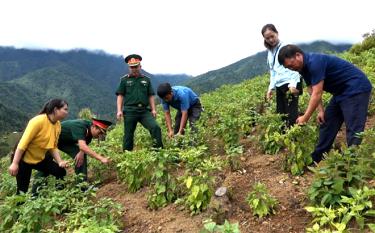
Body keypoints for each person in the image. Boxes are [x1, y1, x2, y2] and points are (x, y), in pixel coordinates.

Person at [278, 44, 372, 163]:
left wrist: (305, 117)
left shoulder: (314, 62)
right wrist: (320, 110)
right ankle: (317, 158)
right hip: (340, 92)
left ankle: (352, 164)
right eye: (288, 68)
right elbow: (311, 89)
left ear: (298, 55)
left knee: (353, 127)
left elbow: (317, 93)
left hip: (355, 88)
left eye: (291, 65)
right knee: (327, 123)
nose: (292, 69)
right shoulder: (302, 68)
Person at [8, 99, 69, 194]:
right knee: (22, 192)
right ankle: (17, 207)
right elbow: (22, 144)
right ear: (56, 109)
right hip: (23, 160)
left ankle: (59, 197)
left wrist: (60, 161)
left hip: (39, 159)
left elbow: (52, 147)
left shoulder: (57, 125)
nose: (67, 112)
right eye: (65, 109)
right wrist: (15, 163)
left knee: (60, 172)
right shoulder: (38, 121)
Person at [33, 118, 112, 185]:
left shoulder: (90, 133)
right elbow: (83, 146)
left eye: (102, 133)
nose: (100, 135)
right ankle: (35, 193)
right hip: (49, 140)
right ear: (94, 127)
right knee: (46, 165)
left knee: (81, 157)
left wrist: (81, 153)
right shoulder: (80, 126)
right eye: (100, 132)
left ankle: (82, 185)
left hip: (64, 142)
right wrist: (101, 158)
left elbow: (83, 146)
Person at [116, 54, 163, 151]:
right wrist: (119, 111)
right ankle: (127, 157)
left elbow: (150, 95)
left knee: (155, 128)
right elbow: (120, 95)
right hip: (130, 111)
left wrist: (153, 109)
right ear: (129, 68)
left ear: (140, 66)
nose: (134, 69)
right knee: (128, 134)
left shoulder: (146, 80)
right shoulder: (124, 80)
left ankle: (158, 152)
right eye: (132, 67)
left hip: (144, 111)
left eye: (136, 67)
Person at [261, 24, 302, 127]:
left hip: (290, 83)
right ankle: (285, 138)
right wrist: (271, 88)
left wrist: (293, 85)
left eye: (272, 36)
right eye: (267, 38)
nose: (271, 39)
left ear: (277, 33)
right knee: (281, 114)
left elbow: (295, 65)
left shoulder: (286, 46)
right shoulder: (270, 51)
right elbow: (273, 71)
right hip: (279, 85)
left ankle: (294, 138)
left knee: (291, 114)